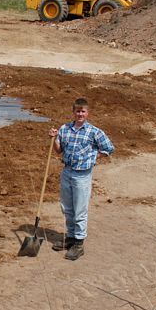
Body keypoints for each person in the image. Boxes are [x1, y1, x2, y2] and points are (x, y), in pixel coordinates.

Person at [49, 98, 114, 261]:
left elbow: (109, 148)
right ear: (73, 112)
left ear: (87, 113)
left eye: (83, 111)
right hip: (67, 172)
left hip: (82, 175)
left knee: (80, 210)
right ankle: (70, 237)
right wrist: (53, 138)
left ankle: (79, 243)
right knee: (67, 208)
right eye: (78, 111)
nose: (80, 114)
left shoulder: (94, 132)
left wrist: (93, 157)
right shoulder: (65, 129)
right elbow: (58, 150)